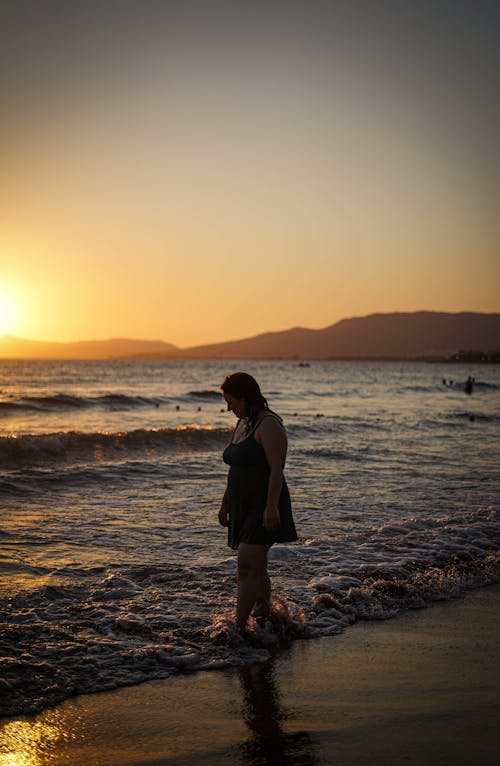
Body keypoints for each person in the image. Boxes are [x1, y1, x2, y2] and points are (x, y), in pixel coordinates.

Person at [218, 372, 298, 633]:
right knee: (257, 565)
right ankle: (267, 614)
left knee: (246, 564)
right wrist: (226, 501)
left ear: (246, 397)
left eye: (231, 401)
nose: (228, 408)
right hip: (242, 504)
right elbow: (235, 467)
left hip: (265, 505)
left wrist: (272, 506)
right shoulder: (242, 423)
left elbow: (277, 469)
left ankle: (238, 630)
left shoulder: (269, 425)